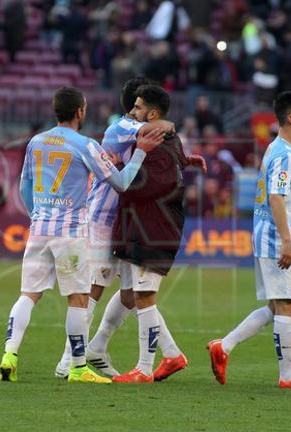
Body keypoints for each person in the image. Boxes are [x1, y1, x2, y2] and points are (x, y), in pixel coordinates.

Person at [0, 86, 166, 384]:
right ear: (80, 112)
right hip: (71, 233)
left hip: (39, 230)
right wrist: (140, 152)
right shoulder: (85, 145)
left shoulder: (35, 142)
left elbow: (24, 187)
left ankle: (9, 355)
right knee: (78, 297)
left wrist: (37, 214)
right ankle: (77, 367)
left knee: (28, 295)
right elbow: (122, 182)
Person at [54, 79, 205, 380]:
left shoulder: (134, 129)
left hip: (124, 221)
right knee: (92, 291)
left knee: (132, 295)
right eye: (136, 105)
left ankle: (100, 349)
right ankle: (68, 361)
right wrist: (171, 125)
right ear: (134, 109)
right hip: (101, 218)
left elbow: (157, 155)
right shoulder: (121, 127)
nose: (137, 109)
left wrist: (183, 159)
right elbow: (161, 130)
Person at [208, 91, 291, 391]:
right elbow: (275, 197)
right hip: (274, 239)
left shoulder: (276, 148)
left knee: (276, 306)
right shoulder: (285, 154)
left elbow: (283, 200)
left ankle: (224, 346)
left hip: (268, 235)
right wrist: (288, 241)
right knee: (287, 305)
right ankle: (288, 375)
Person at [107, 85, 197, 383]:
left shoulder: (155, 147)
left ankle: (144, 369)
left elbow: (146, 187)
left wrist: (117, 170)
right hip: (145, 228)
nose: (132, 112)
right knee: (136, 294)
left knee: (144, 296)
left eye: (137, 107)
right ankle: (171, 356)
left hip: (154, 230)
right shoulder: (165, 140)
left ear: (153, 114)